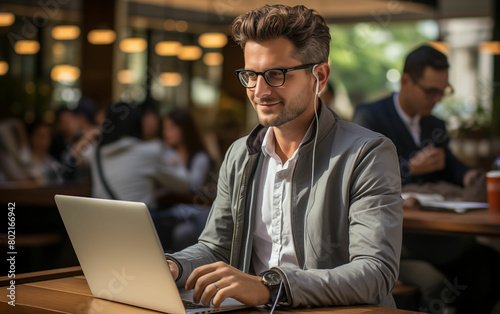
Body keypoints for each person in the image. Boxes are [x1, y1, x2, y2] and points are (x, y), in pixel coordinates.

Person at [165, 4, 403, 309]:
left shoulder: (368, 154)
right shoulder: (240, 154)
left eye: (276, 74)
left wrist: (270, 286)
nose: (260, 90)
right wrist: (174, 265)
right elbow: (217, 247)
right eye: (251, 75)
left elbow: (375, 273)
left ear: (320, 76)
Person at [352, 45, 500, 313]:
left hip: (437, 230)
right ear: (406, 80)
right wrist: (410, 168)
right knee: (444, 279)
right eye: (431, 91)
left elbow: (452, 166)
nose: (437, 99)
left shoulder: (435, 125)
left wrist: (470, 175)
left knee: (488, 267)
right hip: (397, 236)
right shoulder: (370, 116)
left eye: (443, 91)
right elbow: (364, 175)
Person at [160, 108, 215, 251]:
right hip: (170, 210)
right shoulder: (166, 153)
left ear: (183, 129)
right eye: (165, 128)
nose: (167, 133)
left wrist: (177, 163)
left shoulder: (199, 157)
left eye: (172, 127)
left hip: (193, 214)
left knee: (182, 233)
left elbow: (193, 185)